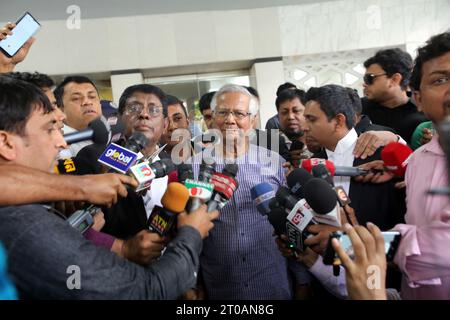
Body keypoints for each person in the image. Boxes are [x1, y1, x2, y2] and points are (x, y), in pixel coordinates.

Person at [0, 76, 219, 299]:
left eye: (153, 110)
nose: (62, 142)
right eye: (50, 128)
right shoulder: (91, 161)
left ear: (164, 124)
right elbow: (146, 290)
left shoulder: (180, 168)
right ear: (120, 118)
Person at [188, 84, 311, 300]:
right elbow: (187, 231)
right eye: (223, 112)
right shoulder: (193, 168)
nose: (230, 120)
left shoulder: (275, 164)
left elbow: (293, 224)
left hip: (272, 284)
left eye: (239, 113)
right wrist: (192, 283)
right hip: (219, 286)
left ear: (253, 120)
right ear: (212, 119)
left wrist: (302, 280)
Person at [302, 84, 405, 230]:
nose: (304, 127)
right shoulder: (311, 165)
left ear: (339, 121)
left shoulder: (380, 156)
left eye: (311, 119)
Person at [362, 48, 428, 143]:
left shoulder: (424, 113)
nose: (365, 84)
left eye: (370, 78)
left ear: (394, 79)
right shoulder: (358, 111)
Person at [54, 76, 103, 157]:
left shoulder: (108, 135)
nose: (87, 102)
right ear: (60, 109)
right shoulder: (59, 144)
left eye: (92, 97)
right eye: (76, 98)